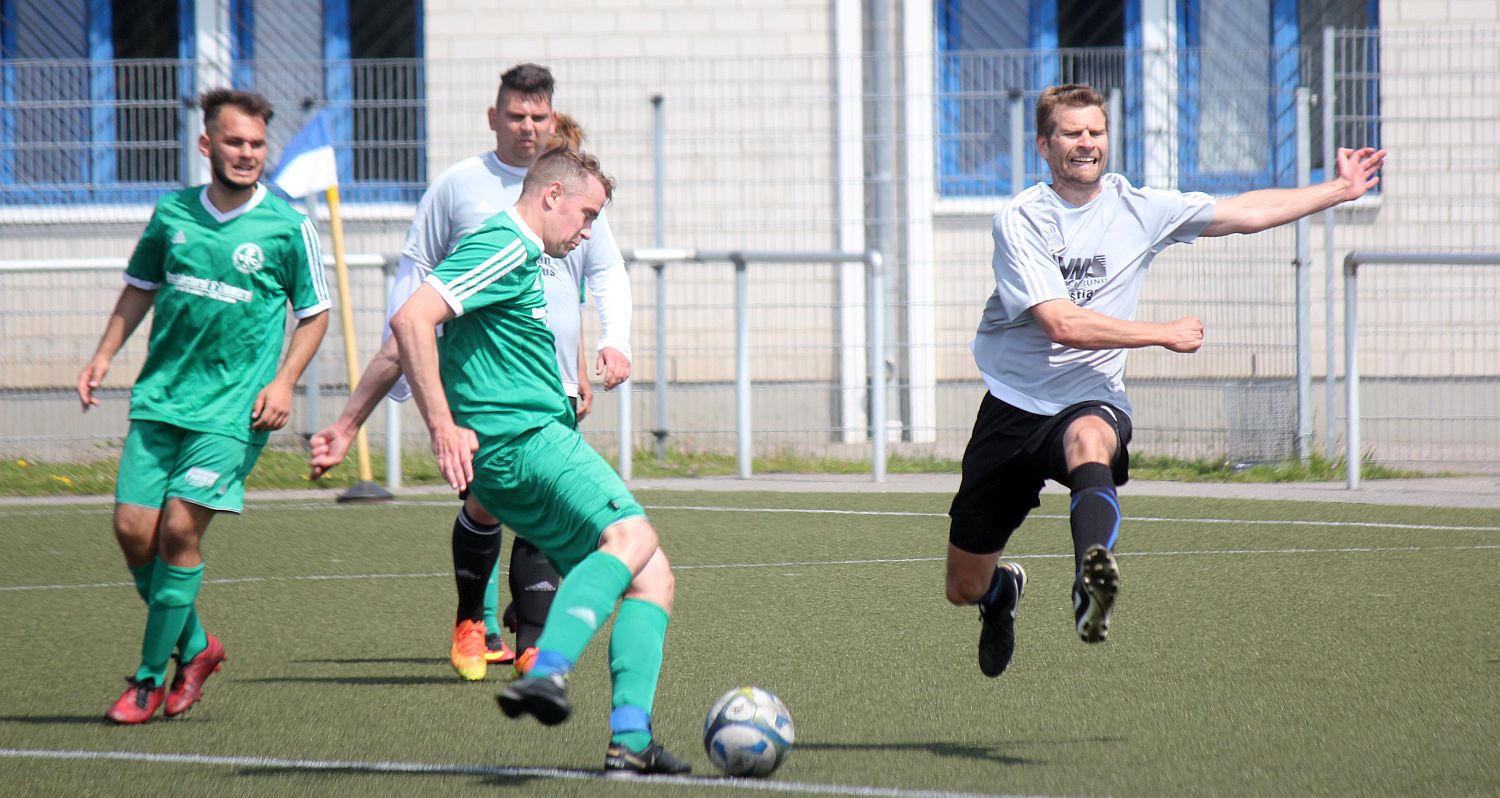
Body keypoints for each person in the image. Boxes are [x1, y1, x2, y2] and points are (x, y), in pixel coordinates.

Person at [947, 83, 1385, 678]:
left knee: (1087, 441)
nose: (1086, 144)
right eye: (1072, 134)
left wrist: (1340, 189)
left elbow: (1243, 213)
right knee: (963, 585)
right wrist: (1160, 332)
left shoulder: (1138, 208)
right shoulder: (1021, 220)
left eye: (1096, 133)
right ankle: (1002, 594)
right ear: (1044, 146)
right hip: (1014, 405)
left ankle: (1089, 578)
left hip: (1089, 396)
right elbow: (1060, 323)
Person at [323, 147, 689, 775]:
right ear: (551, 195)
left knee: (651, 578)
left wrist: (347, 422)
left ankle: (630, 740)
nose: (588, 232)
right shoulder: (505, 243)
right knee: (632, 534)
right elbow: (411, 318)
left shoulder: (515, 253)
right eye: (587, 214)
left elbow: (407, 337)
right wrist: (442, 425)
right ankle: (546, 670)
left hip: (506, 460)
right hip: (526, 442)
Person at [314, 64, 631, 681]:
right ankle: (478, 620)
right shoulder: (475, 204)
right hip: (485, 403)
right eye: (518, 114)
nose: (529, 126)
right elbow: (416, 305)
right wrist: (406, 413)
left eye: (540, 116)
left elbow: (594, 279)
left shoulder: (571, 205)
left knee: (554, 521)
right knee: (536, 518)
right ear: (495, 117)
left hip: (551, 390)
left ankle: (535, 645)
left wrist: (596, 351)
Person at [77, 88, 331, 724]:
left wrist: (284, 383)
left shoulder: (289, 224)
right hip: (162, 399)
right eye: (234, 142)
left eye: (255, 144)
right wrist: (104, 355)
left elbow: (315, 313)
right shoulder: (173, 214)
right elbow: (139, 288)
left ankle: (144, 680)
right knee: (133, 533)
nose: (247, 154)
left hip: (234, 411)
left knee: (179, 530)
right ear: (207, 144)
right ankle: (197, 647)